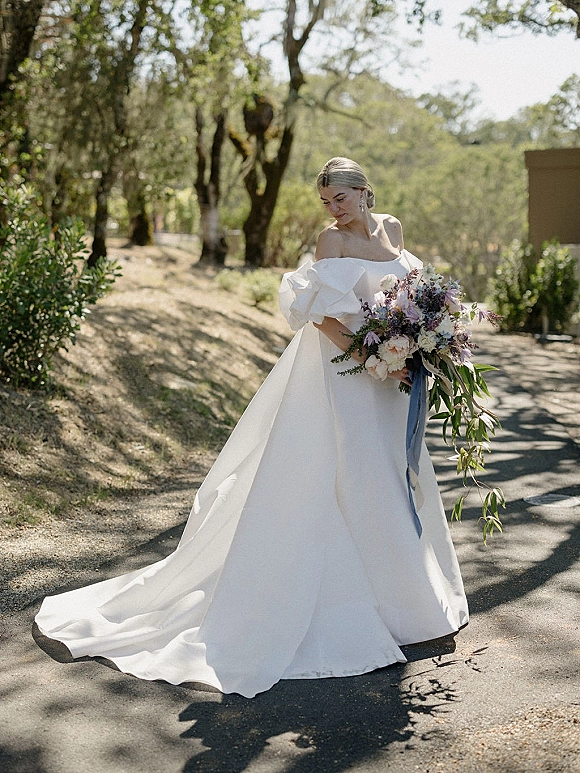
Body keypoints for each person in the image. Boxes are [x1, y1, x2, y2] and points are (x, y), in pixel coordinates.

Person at [35, 157, 468, 699]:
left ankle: (408, 604)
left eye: (341, 199)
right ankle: (356, 607)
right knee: (356, 476)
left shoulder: (393, 230)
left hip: (393, 380)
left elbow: (410, 296)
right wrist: (373, 354)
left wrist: (421, 341)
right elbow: (320, 314)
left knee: (393, 473)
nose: (334, 210)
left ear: (364, 192)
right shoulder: (328, 244)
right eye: (326, 202)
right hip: (348, 371)